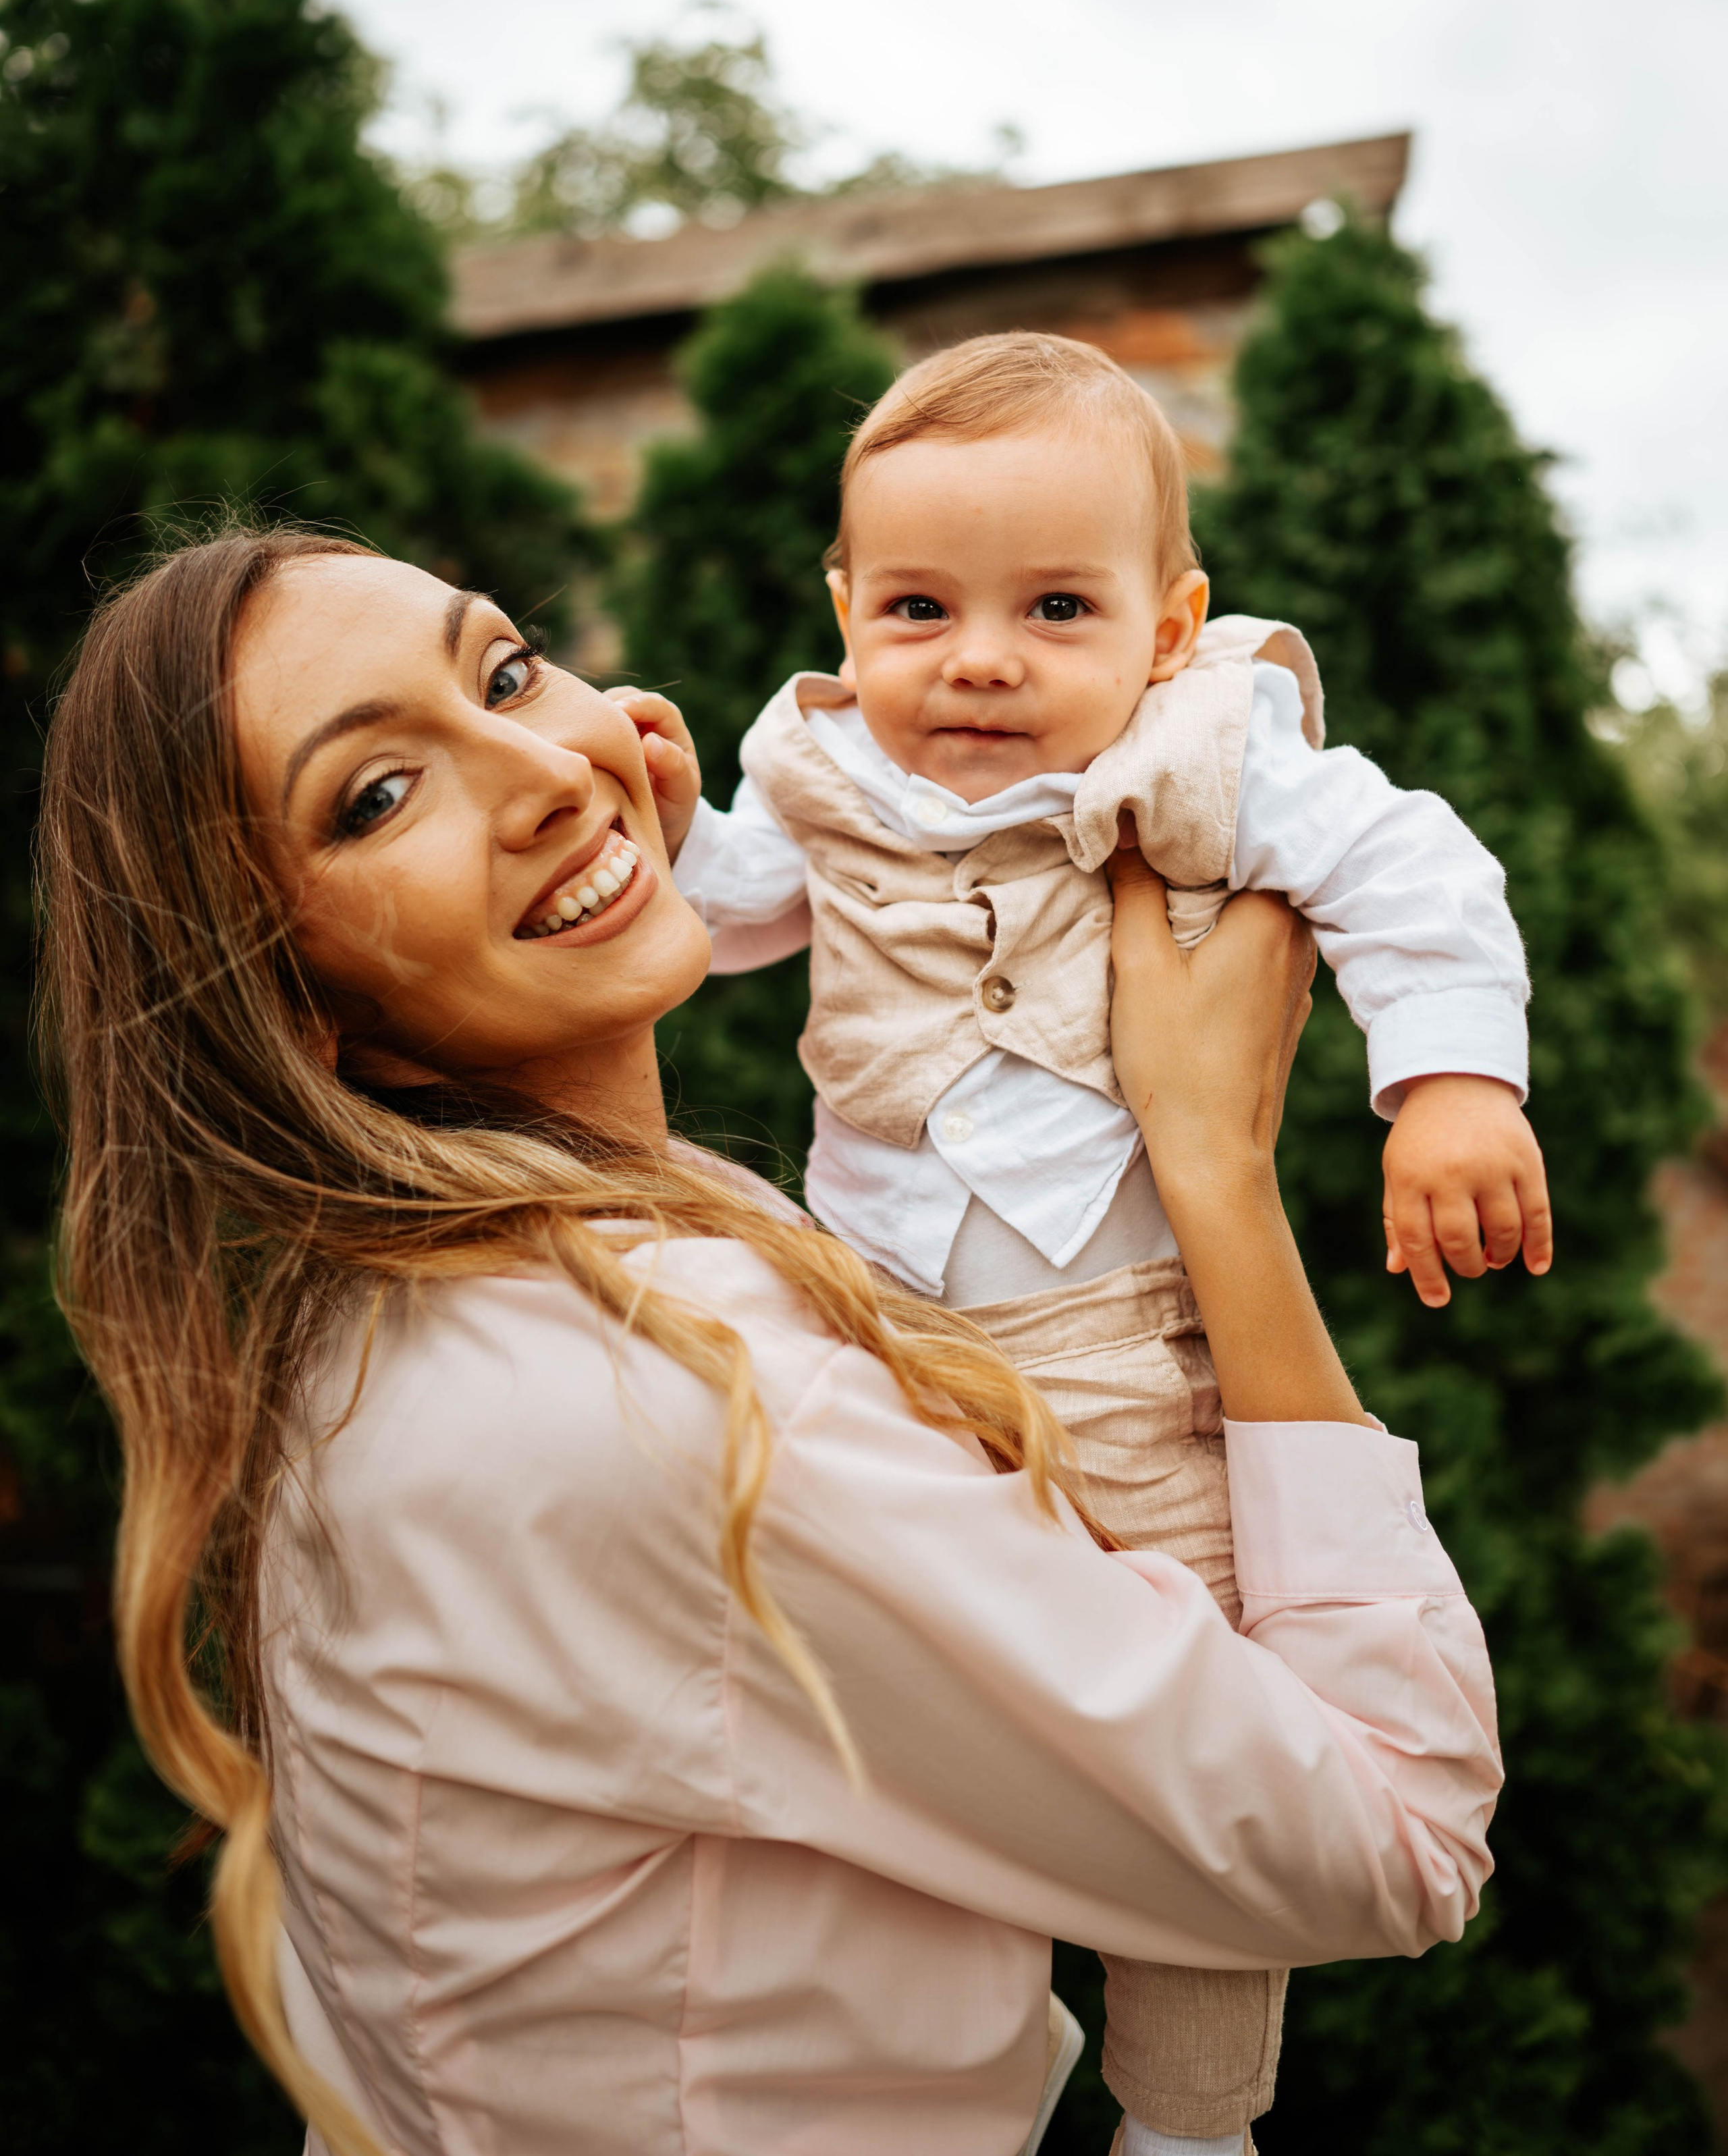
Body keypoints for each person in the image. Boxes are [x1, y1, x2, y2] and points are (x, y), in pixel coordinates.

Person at [39, 528, 1501, 2156]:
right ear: (287, 1001)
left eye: (507, 673)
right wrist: (1210, 1163)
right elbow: (1392, 1832)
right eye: (377, 795)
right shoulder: (670, 1399)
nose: (548, 771)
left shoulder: (437, 1306)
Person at [638, 330, 1546, 2148]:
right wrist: (671, 832)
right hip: (872, 1337)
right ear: (845, 607)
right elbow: (731, 917)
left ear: (1166, 622)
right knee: (895, 1714)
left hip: (1123, 1353)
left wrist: (1450, 1084)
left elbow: (1409, 865)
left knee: (1205, 1725)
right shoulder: (817, 765)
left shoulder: (1203, 742)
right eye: (917, 606)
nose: (979, 656)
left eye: (1056, 606)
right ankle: (937, 2058)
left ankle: (1191, 2116)